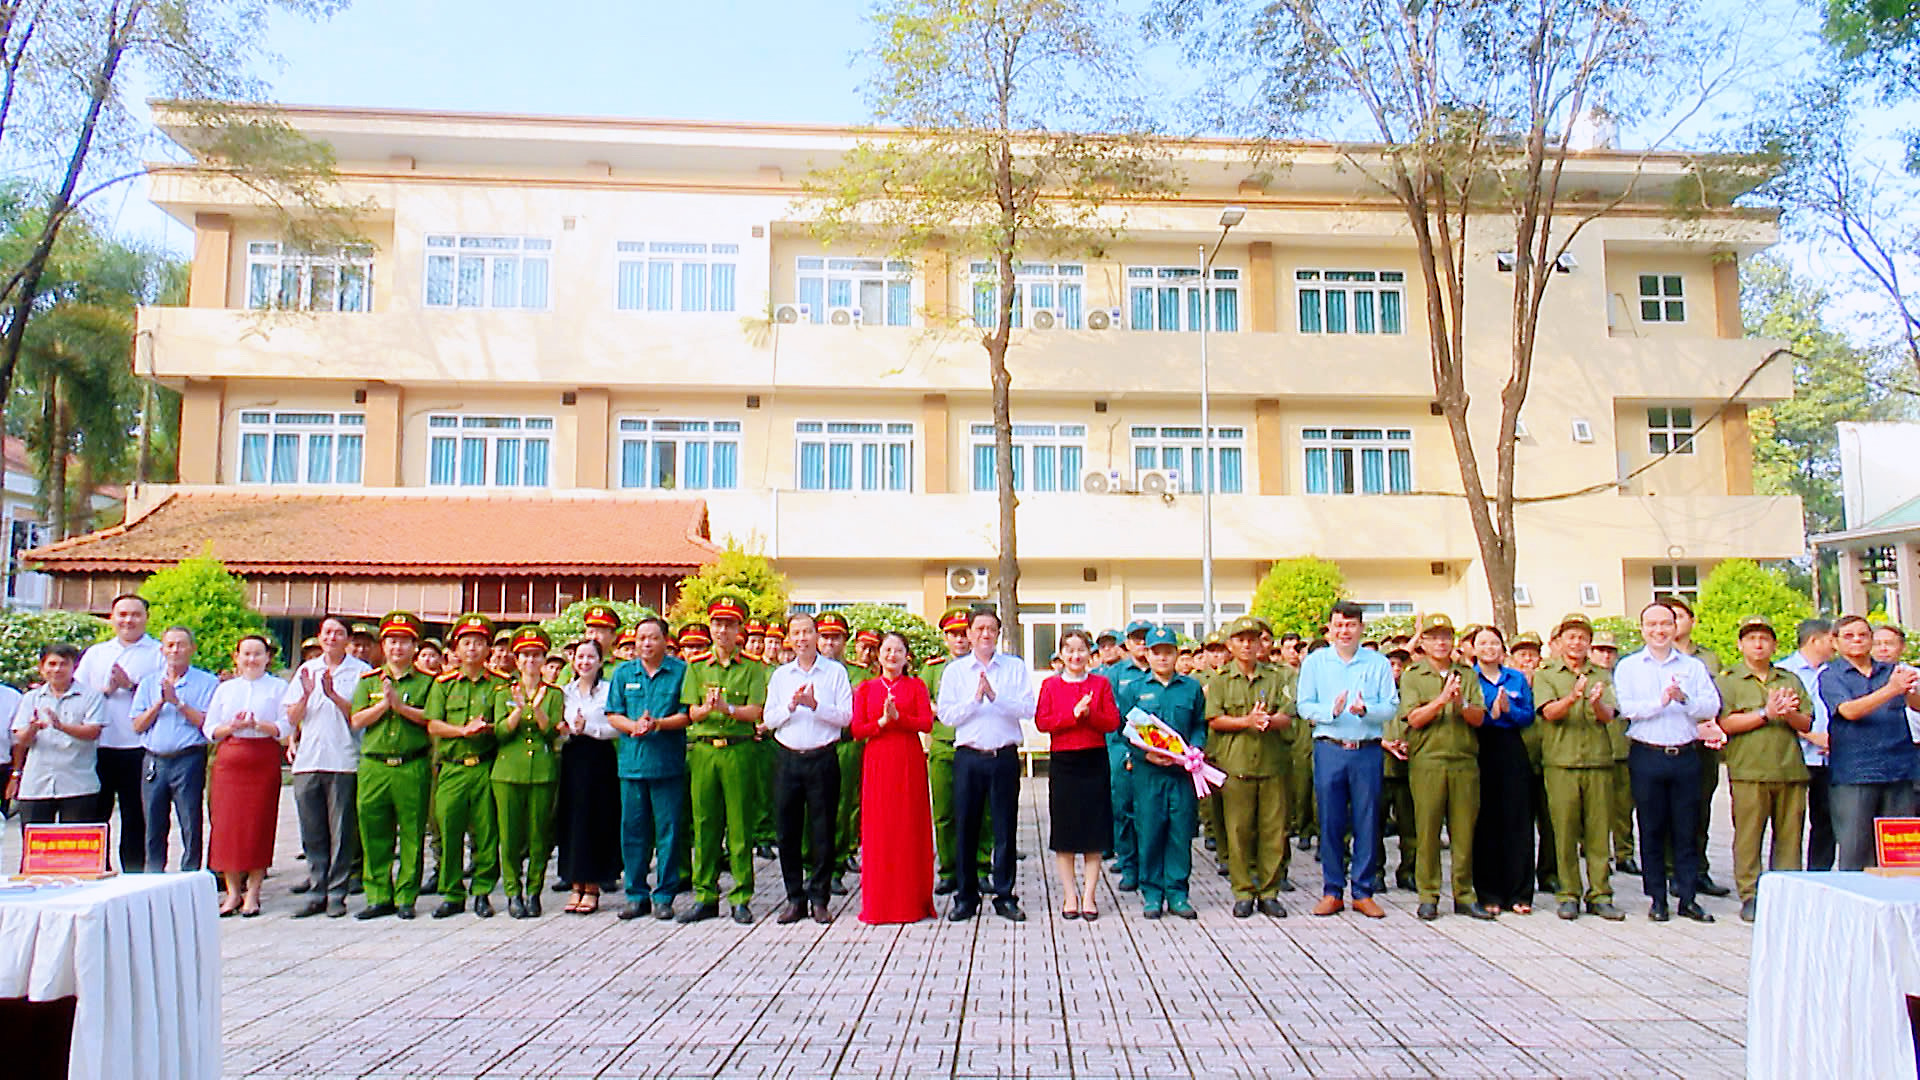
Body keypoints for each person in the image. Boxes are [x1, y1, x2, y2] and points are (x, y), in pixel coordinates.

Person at [1615, 601, 1723, 922]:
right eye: (1652, 625)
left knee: (1686, 828)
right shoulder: (1629, 667)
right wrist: (1660, 701)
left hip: (1685, 755)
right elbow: (1627, 709)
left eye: (1665, 624)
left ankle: (1687, 897)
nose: (1659, 630)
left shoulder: (1693, 666)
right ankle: (1657, 898)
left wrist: (1684, 699)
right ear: (1642, 629)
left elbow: (1711, 705)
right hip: (1647, 754)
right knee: (1651, 828)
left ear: (1675, 627)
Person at [1298, 601, 1398, 918]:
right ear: (1330, 628)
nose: (1345, 631)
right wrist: (1331, 711)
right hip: (1330, 748)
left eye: (1351, 625)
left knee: (1367, 820)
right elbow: (1304, 705)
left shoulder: (1378, 663)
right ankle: (1332, 890)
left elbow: (1391, 706)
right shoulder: (1315, 663)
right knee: (1330, 821)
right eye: (1339, 625)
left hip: (1366, 749)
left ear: (1361, 628)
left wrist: (1366, 710)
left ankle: (1363, 891)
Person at [937, 608, 1035, 922]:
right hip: (968, 757)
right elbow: (947, 716)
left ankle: (1005, 895)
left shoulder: (1014, 667)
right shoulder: (955, 671)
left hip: (1003, 756)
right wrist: (974, 700)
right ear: (968, 634)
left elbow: (1028, 708)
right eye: (979, 629)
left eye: (991, 629)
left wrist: (995, 697)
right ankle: (966, 897)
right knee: (966, 826)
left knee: (1005, 828)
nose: (985, 635)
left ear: (998, 633)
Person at [679, 594, 771, 924]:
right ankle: (705, 894)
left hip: (739, 749)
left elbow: (756, 710)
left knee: (740, 825)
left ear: (739, 629)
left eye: (729, 624)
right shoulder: (696, 666)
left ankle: (741, 896)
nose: (722, 630)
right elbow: (691, 712)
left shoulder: (753, 667)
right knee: (705, 824)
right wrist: (706, 709)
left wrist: (727, 709)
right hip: (704, 750)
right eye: (717, 624)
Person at [1715, 616, 1812, 923]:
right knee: (1748, 835)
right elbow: (1725, 723)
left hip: (1789, 768)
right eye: (1751, 638)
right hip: (1749, 770)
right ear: (1740, 644)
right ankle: (1750, 893)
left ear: (1774, 645)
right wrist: (1766, 713)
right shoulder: (1729, 680)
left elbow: (1806, 723)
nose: (1758, 644)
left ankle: (1787, 890)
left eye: (1764, 639)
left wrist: (1788, 713)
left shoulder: (1789, 679)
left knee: (1790, 836)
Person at [1394, 615, 1491, 921]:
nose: (1440, 643)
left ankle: (1464, 894)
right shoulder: (1413, 675)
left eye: (1446, 637)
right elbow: (1414, 718)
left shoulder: (1467, 674)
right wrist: (1441, 700)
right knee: (1428, 830)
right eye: (1434, 637)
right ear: (1422, 642)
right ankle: (1428, 894)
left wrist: (1460, 702)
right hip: (1429, 760)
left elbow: (1479, 718)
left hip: (1463, 760)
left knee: (1464, 832)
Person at [761, 612, 853, 925]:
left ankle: (820, 898)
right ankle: (794, 898)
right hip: (787, 758)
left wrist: (815, 706)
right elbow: (769, 719)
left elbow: (846, 717)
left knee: (822, 830)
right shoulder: (780, 676)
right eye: (796, 633)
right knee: (787, 831)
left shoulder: (835, 673)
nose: (802, 638)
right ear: (789, 638)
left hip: (822, 758)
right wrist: (791, 705)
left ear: (817, 635)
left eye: (807, 632)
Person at [1533, 614, 1623, 921]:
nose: (1577, 643)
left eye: (1583, 637)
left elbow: (1609, 715)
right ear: (1559, 641)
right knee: (1565, 831)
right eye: (1571, 637)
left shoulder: (1601, 674)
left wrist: (1595, 702)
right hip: (1561, 762)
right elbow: (1549, 712)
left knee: (1598, 832)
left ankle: (1600, 893)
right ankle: (1568, 893)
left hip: (1598, 761)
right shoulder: (1547, 674)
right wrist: (1573, 697)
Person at [1205, 616, 1296, 919]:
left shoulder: (1277, 677)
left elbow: (1288, 714)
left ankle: (1269, 892)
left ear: (1261, 644)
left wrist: (1269, 721)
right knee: (1238, 832)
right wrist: (1247, 721)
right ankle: (1243, 891)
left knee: (1273, 832)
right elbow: (1214, 719)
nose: (1246, 645)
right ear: (1230, 645)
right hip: (1236, 765)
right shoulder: (1220, 680)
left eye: (1252, 639)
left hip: (1272, 764)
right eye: (1240, 640)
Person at [350, 611, 436, 921]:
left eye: (404, 641)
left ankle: (406, 896)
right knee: (374, 831)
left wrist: (400, 707)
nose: (397, 647)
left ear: (415, 646)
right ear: (383, 646)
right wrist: (384, 705)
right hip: (375, 765)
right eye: (391, 641)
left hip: (411, 764)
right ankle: (378, 895)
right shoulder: (368, 681)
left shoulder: (428, 682)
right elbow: (357, 720)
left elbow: (431, 718)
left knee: (412, 832)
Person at [1818, 614, 1920, 870]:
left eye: (1863, 635)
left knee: (1901, 853)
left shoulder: (1892, 671)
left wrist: (1910, 690)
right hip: (1856, 773)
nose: (1857, 640)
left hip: (1900, 770)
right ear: (1835, 642)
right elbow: (1849, 711)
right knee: (1856, 851)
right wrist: (1891, 690)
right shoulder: (1831, 675)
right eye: (1849, 636)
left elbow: (1916, 706)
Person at [1120, 626, 1207, 920]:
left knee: (1180, 832)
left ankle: (1178, 893)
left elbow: (1199, 724)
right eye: (1156, 652)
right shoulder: (1134, 689)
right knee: (1150, 831)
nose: (1162, 658)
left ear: (1176, 654)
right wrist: (1145, 755)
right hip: (1148, 774)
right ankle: (1152, 893)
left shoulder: (1190, 688)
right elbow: (1123, 729)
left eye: (1168, 652)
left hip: (1182, 774)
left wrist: (1194, 750)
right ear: (1147, 654)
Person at [285, 616, 370, 917]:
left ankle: (337, 892)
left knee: (342, 831)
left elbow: (360, 717)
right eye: (327, 632)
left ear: (348, 639)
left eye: (338, 633)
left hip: (343, 760)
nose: (332, 637)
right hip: (308, 760)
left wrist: (333, 695)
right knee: (312, 830)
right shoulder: (306, 670)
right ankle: (317, 889)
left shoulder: (362, 672)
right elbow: (291, 718)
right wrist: (308, 694)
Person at [607, 615, 690, 921]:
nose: (646, 643)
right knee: (633, 832)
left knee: (668, 832)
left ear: (665, 641)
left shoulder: (681, 671)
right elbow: (613, 713)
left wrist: (658, 724)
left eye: (653, 638)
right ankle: (636, 895)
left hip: (667, 764)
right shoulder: (623, 672)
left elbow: (688, 714)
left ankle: (665, 895)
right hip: (632, 765)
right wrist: (633, 726)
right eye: (641, 638)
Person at [1033, 629, 1120, 920]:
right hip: (1064, 762)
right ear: (1061, 654)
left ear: (1089, 653)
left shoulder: (1100, 684)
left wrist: (1089, 714)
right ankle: (1070, 895)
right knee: (1065, 832)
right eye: (1069, 650)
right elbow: (1043, 722)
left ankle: (1089, 896)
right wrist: (1072, 716)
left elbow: (1112, 722)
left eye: (1081, 649)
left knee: (1094, 833)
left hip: (1094, 761)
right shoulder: (1050, 685)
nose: (1075, 656)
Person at [851, 630, 937, 924]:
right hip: (878, 760)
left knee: (907, 826)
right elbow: (857, 729)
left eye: (898, 650)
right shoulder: (866, 688)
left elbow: (926, 723)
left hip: (908, 760)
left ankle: (910, 901)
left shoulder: (916, 686)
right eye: (887, 650)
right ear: (879, 655)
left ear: (906, 656)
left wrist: (901, 719)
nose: (892, 655)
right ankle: (879, 903)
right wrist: (882, 721)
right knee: (880, 829)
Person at [424, 614, 506, 919]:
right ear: (456, 649)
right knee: (449, 830)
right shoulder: (443, 685)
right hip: (453, 767)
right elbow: (433, 724)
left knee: (486, 833)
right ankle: (452, 892)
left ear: (488, 649)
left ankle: (482, 891)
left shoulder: (500, 684)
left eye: (479, 642)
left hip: (485, 766)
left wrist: (487, 728)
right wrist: (462, 731)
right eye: (466, 642)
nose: (472, 648)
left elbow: (505, 724)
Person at [74, 594, 161, 873]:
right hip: (98, 746)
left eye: (135, 614)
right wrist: (106, 691)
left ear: (146, 618)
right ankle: (96, 869)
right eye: (122, 614)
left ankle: (133, 874)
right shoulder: (96, 654)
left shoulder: (157, 653)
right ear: (111, 617)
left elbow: (162, 697)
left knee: (135, 815)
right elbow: (78, 696)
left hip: (138, 747)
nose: (128, 620)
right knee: (95, 813)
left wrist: (131, 686)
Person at [204, 634, 290, 917]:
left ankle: (253, 892)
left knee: (258, 824)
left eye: (258, 654)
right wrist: (232, 726)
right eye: (246, 654)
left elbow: (285, 726)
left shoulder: (278, 688)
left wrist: (259, 725)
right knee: (227, 827)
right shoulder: (225, 689)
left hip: (262, 760)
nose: (251, 659)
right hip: (231, 762)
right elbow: (209, 728)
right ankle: (232, 892)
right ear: (236, 658)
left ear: (268, 657)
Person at [130, 626, 217, 873]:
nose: (175, 650)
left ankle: (190, 871)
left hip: (188, 758)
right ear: (162, 650)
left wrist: (177, 702)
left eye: (181, 645)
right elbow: (137, 725)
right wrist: (159, 702)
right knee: (153, 820)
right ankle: (154, 872)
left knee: (190, 819)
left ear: (192, 649)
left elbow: (206, 723)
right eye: (170, 645)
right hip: (154, 759)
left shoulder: (207, 682)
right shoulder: (149, 683)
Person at [493, 627, 563, 918]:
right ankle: (513, 891)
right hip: (508, 770)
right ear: (516, 659)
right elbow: (499, 732)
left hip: (542, 771)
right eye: (525, 655)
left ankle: (534, 891)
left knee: (539, 836)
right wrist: (518, 711)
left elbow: (552, 733)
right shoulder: (503, 692)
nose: (530, 661)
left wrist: (537, 708)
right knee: (510, 837)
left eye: (536, 655)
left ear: (544, 660)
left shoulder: (554, 694)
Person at [1664, 597, 1731, 899]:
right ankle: (1671, 872)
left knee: (1700, 808)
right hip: (1669, 741)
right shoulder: (1653, 657)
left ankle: (1698, 870)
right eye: (1669, 617)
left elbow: (1717, 697)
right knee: (1669, 810)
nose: (1675, 623)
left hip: (1703, 743)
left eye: (1680, 616)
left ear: (1692, 621)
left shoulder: (1709, 658)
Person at [1470, 626, 1536, 915]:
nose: (1489, 648)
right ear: (1473, 648)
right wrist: (1491, 715)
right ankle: (1489, 894)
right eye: (1483, 643)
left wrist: (1508, 710)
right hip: (1481, 747)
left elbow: (1528, 715)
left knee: (1517, 820)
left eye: (1494, 643)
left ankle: (1520, 893)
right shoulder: (1469, 678)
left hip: (1511, 748)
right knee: (1486, 821)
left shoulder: (1516, 678)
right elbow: (1467, 714)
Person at [923, 606, 989, 895]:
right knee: (945, 812)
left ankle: (981, 868)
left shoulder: (985, 665)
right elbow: (921, 701)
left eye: (964, 634)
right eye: (953, 635)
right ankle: (949, 870)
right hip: (944, 746)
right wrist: (936, 709)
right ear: (945, 638)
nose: (960, 640)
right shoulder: (934, 669)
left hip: (976, 745)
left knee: (983, 811)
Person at [558, 638, 622, 915]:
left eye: (590, 657)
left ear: (600, 661)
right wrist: (566, 729)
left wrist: (589, 729)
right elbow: (559, 725)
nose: (584, 662)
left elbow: (617, 727)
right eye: (580, 657)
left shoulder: (609, 690)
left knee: (597, 821)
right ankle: (575, 885)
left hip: (600, 758)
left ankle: (593, 887)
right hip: (573, 758)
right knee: (573, 821)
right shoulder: (564, 692)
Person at [6, 644, 104, 824]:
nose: (57, 669)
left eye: (63, 664)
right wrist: (33, 728)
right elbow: (21, 739)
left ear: (74, 666)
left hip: (78, 784)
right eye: (51, 664)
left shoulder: (91, 696)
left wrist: (61, 726)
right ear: (42, 668)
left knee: (75, 840)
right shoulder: (31, 698)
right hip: (36, 785)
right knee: (36, 840)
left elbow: (93, 731)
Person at [815, 613, 869, 896]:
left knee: (842, 806)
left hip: (846, 744)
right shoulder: (808, 670)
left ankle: (835, 867)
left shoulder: (859, 674)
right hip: (814, 744)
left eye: (835, 637)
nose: (829, 643)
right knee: (812, 808)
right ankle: (812, 865)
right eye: (824, 637)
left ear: (845, 641)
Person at [1779, 619, 1837, 870]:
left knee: (1825, 819)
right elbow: (1781, 713)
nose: (1835, 645)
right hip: (1795, 756)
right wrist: (1813, 736)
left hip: (1829, 757)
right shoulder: (1783, 672)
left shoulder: (1835, 671)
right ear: (1814, 640)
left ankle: (1819, 872)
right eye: (1831, 639)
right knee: (1789, 821)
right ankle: (1786, 872)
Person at [1100, 620, 1152, 891]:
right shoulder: (1115, 674)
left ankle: (1151, 867)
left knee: (1151, 811)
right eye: (1136, 638)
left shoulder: (1163, 670)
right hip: (1122, 747)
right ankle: (1129, 865)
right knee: (1123, 808)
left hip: (1157, 751)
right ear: (1127, 644)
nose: (1141, 643)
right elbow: (1112, 714)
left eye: (1145, 637)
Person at [1590, 632, 1638, 875]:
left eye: (1610, 651)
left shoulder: (1624, 678)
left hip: (1622, 750)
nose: (1606, 655)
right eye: (1600, 650)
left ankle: (1624, 853)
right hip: (1594, 752)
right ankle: (1598, 855)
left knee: (1623, 808)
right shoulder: (1586, 677)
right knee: (1597, 811)